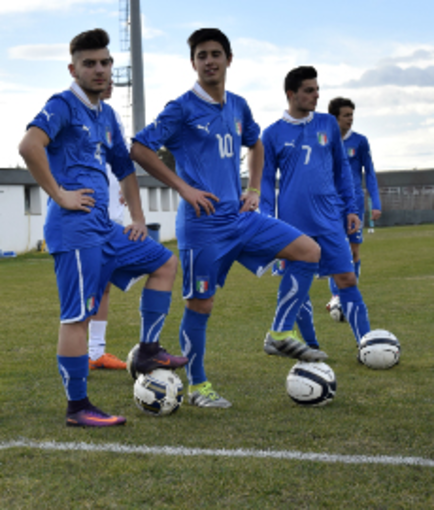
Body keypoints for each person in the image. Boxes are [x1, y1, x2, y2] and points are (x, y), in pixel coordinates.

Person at [130, 29, 327, 410]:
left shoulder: (238, 105)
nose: (209, 61)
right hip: (202, 226)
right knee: (200, 305)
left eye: (215, 53)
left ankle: (280, 331)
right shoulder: (182, 108)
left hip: (240, 219)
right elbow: (139, 147)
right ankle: (198, 385)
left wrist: (253, 188)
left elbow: (256, 143)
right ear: (193, 63)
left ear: (229, 59)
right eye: (201, 55)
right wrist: (183, 188)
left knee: (308, 251)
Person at [18, 29, 187, 427]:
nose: (99, 70)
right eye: (90, 63)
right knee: (77, 316)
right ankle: (78, 408)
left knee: (164, 263)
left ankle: (146, 350)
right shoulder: (62, 105)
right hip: (75, 231)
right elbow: (29, 147)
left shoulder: (107, 114)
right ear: (73, 68)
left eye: (105, 62)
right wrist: (60, 194)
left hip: (106, 228)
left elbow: (125, 166)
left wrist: (139, 220)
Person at [260, 66, 371, 352]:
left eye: (317, 89)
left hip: (330, 218)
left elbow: (342, 170)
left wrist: (351, 208)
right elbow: (264, 180)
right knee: (299, 288)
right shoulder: (271, 134)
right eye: (309, 90)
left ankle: (367, 344)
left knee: (346, 277)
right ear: (291, 94)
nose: (316, 95)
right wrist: (264, 223)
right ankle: (310, 345)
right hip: (292, 224)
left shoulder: (327, 124)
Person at [325, 97, 382, 312]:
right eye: (346, 115)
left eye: (352, 115)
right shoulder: (324, 141)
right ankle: (337, 296)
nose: (351, 119)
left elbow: (370, 172)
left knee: (353, 252)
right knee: (334, 250)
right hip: (330, 203)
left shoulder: (360, 141)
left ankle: (349, 293)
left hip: (354, 204)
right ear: (335, 118)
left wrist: (375, 202)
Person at [88, 78, 127, 370]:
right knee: (88, 287)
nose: (109, 82)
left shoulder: (111, 117)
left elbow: (119, 162)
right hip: (90, 218)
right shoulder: (78, 116)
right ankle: (85, 353)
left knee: (104, 287)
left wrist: (126, 188)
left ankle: (96, 351)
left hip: (114, 214)